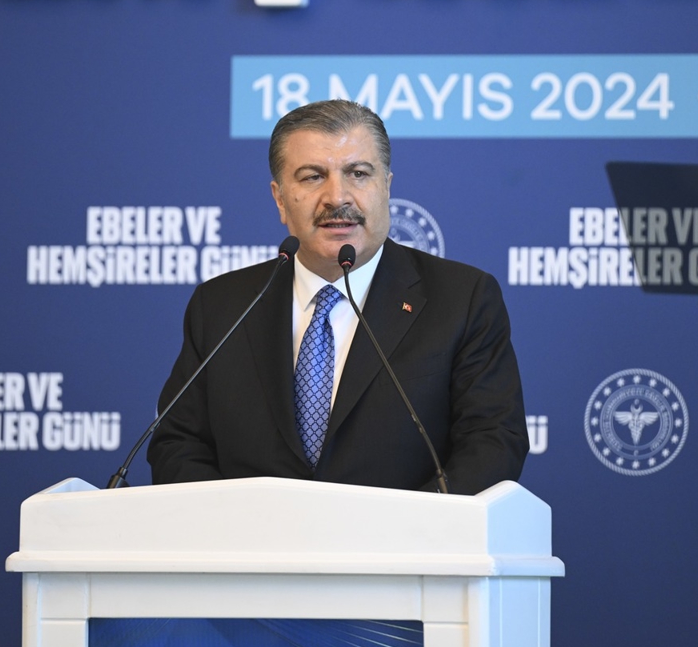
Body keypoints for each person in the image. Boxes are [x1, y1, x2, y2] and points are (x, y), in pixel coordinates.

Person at [146, 100, 529, 495]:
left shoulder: (462, 299)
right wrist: (234, 524)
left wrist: (406, 525)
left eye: (358, 174)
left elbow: (493, 442)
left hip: (403, 535)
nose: (337, 197)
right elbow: (178, 443)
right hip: (250, 534)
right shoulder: (221, 305)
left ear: (386, 187)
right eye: (313, 177)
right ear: (280, 199)